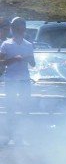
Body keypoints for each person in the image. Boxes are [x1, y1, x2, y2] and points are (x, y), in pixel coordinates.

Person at [0, 17, 35, 145]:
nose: (20, 31)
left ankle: (22, 135)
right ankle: (10, 136)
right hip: (10, 80)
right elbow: (1, 62)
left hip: (24, 80)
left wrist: (29, 58)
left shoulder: (28, 45)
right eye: (17, 28)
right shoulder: (6, 44)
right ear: (13, 29)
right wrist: (14, 59)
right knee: (11, 108)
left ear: (24, 29)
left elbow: (33, 64)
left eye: (22, 28)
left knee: (25, 108)